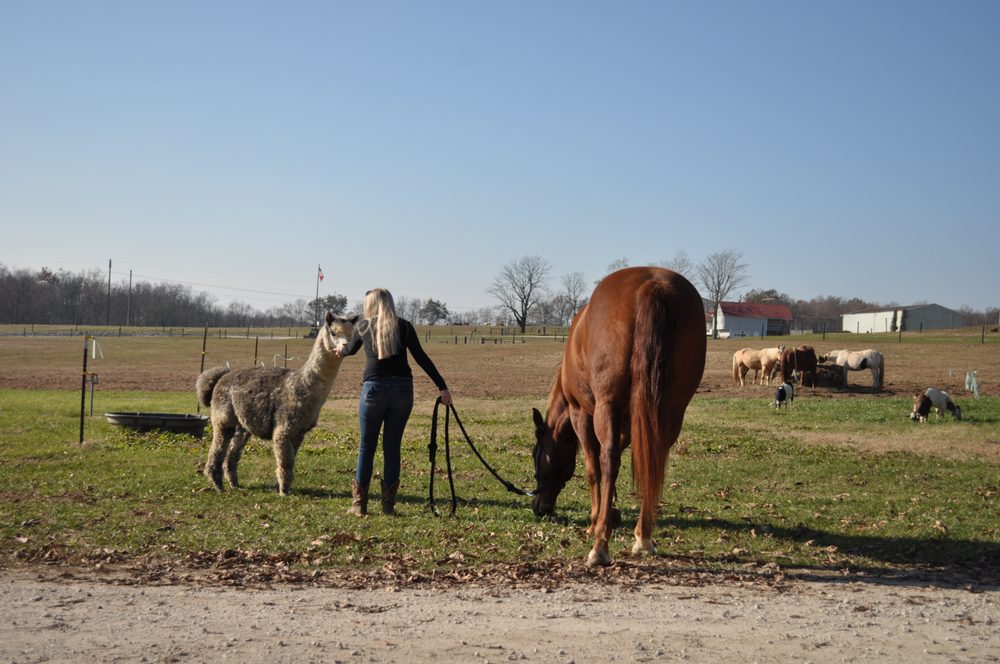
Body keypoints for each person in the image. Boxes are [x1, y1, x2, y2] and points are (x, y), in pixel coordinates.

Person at [337, 288, 452, 516]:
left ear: (370, 304)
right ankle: (388, 506)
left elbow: (349, 350)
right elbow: (421, 357)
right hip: (402, 391)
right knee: (392, 448)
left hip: (374, 389)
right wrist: (442, 386)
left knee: (366, 447)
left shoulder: (363, 326)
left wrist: (340, 348)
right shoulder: (405, 326)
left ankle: (359, 505)